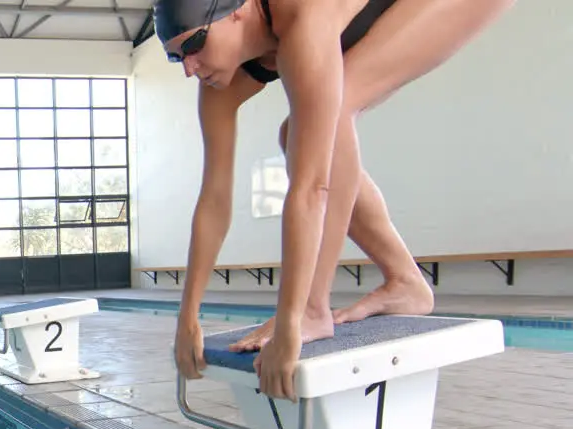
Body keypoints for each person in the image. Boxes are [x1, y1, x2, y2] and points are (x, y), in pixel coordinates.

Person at [157, 0, 515, 401]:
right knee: (301, 133)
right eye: (175, 57)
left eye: (193, 47)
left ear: (235, 12)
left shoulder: (302, 16)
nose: (189, 66)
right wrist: (187, 317)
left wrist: (298, 316)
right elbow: (213, 200)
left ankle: (318, 306)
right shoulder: (215, 82)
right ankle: (405, 281)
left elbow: (312, 188)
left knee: (334, 108)